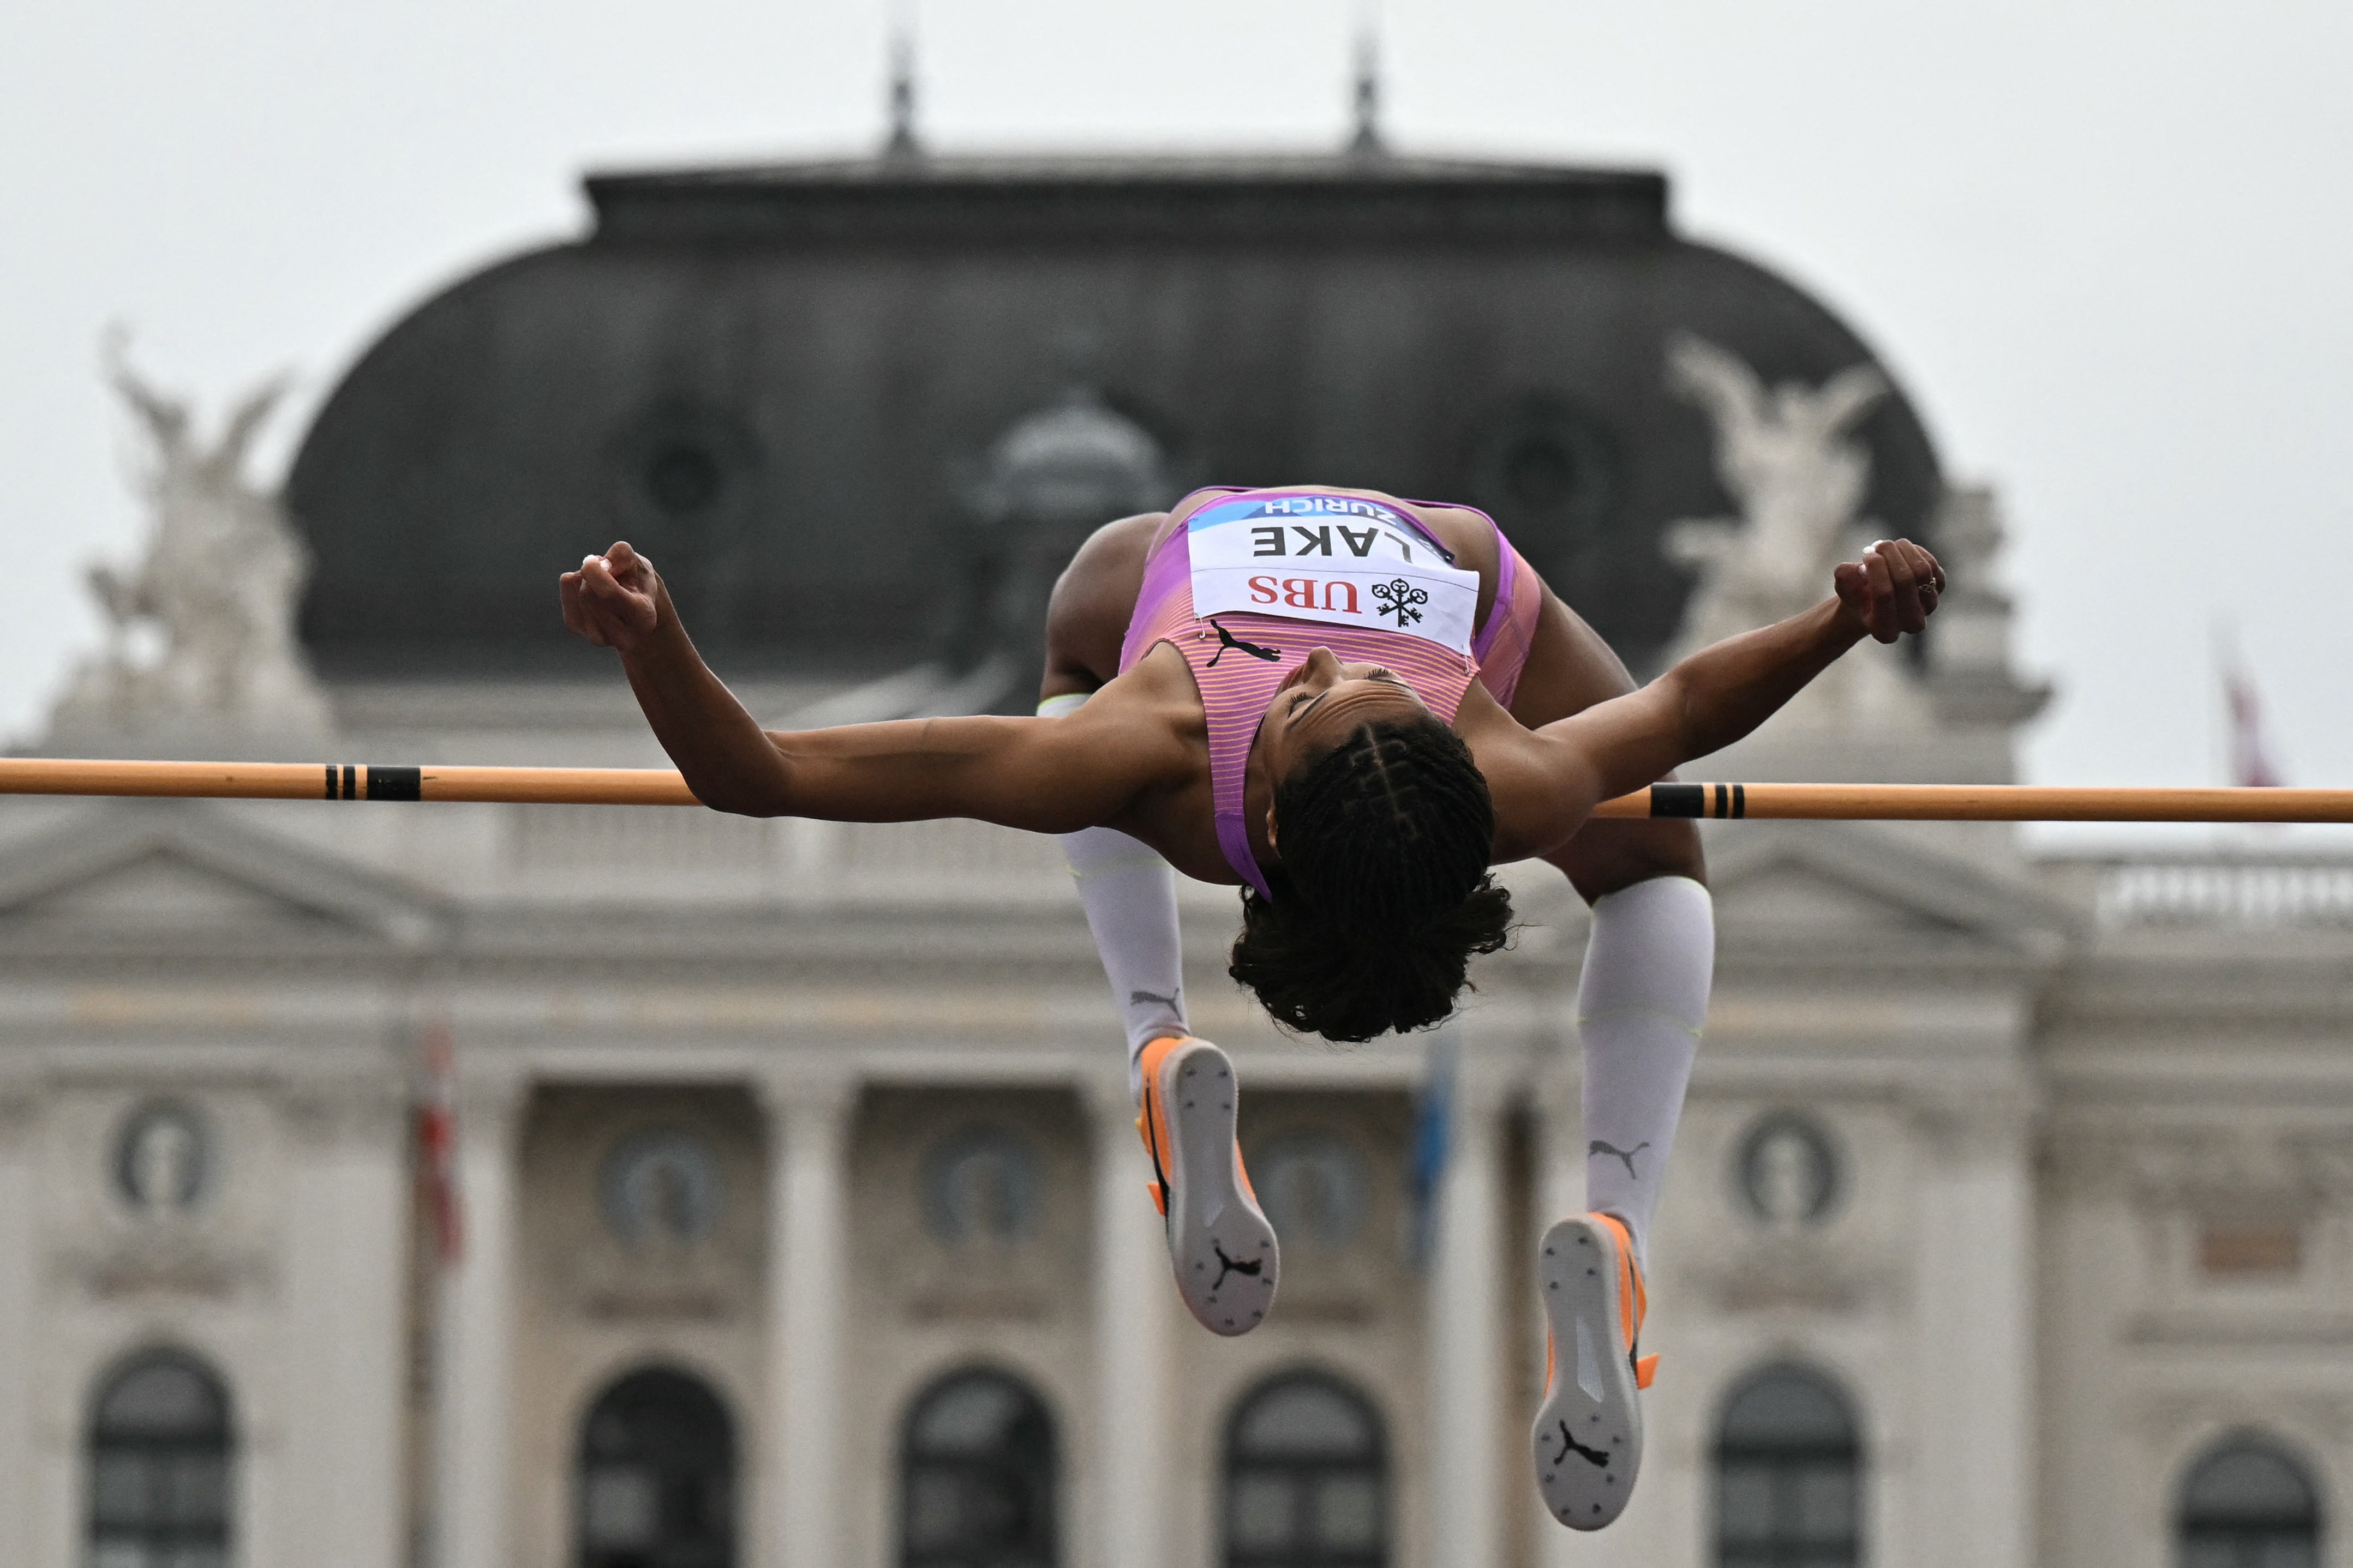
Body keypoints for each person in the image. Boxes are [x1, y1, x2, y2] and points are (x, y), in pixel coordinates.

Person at [560, 484, 1943, 1530]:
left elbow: (761, 772)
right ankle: (1619, 1229)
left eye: (1335, 700)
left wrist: (655, 646)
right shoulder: (1498, 765)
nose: (1339, 670)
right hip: (1460, 573)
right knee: (1658, 870)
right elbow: (1695, 700)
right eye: (1359, 693)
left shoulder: (1152, 738)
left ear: (1261, 807)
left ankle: (1155, 1032)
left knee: (1084, 636)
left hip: (1171, 607)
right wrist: (1840, 620)